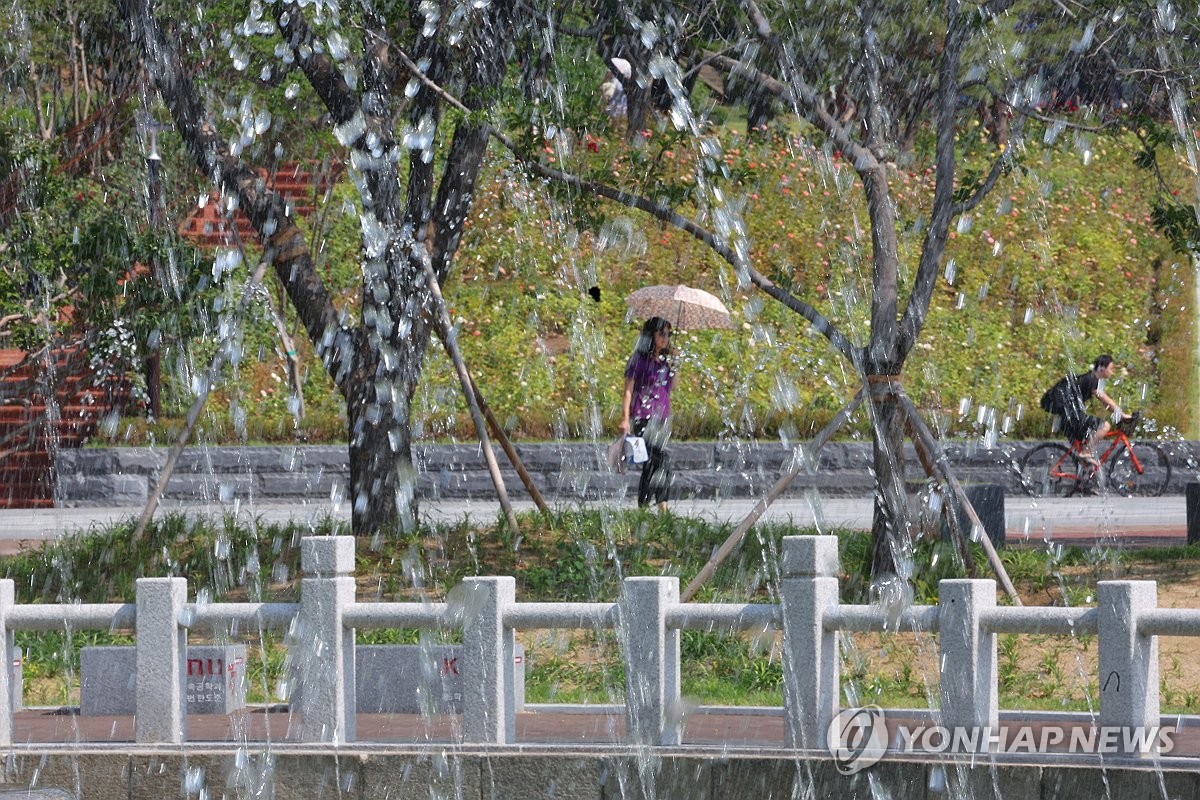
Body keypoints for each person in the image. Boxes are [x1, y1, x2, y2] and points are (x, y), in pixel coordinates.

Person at [619, 317, 674, 510]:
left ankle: (644, 508)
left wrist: (676, 366)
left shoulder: (666, 362)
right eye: (662, 334)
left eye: (668, 334)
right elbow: (628, 390)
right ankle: (660, 509)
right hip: (642, 417)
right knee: (660, 459)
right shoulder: (638, 360)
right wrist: (625, 419)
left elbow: (670, 389)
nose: (665, 338)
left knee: (654, 463)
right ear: (651, 335)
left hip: (661, 419)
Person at [1040, 354, 1131, 469]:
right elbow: (1105, 401)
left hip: (1067, 419)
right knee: (1104, 426)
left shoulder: (1087, 378)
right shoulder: (1091, 379)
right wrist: (1122, 415)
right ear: (1102, 368)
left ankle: (1082, 482)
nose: (1112, 373)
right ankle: (1086, 453)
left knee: (1085, 461)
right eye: (1111, 369)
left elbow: (1105, 404)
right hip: (1071, 418)